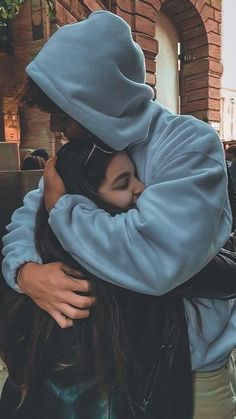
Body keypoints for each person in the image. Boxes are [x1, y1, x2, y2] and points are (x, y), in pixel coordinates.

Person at [1, 10, 235, 418]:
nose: (58, 126)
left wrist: (63, 210)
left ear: (96, 97)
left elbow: (157, 257)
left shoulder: (187, 144)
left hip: (190, 369)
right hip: (101, 366)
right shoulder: (83, 147)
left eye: (64, 111)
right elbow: (25, 220)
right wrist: (26, 272)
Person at [1, 139, 236, 419]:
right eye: (123, 183)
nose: (141, 188)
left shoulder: (45, 263)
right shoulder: (110, 275)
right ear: (88, 201)